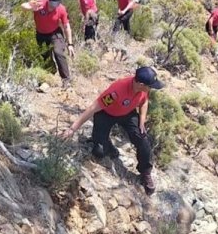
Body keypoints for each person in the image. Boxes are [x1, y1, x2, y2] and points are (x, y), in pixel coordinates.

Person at [62, 66, 164, 195]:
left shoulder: (144, 89)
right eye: (150, 86)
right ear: (141, 84)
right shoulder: (117, 92)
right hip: (106, 114)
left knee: (142, 138)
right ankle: (107, 144)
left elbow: (144, 102)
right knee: (99, 151)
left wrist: (142, 120)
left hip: (127, 113)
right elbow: (94, 108)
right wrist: (72, 129)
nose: (151, 88)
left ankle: (145, 172)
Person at [21, 0, 75, 85]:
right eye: (52, 3)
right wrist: (31, 7)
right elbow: (23, 6)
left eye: (57, 3)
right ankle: (49, 75)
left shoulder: (61, 9)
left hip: (55, 33)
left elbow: (67, 27)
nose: (54, 5)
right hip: (41, 34)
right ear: (49, 0)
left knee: (58, 52)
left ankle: (66, 80)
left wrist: (70, 44)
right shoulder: (40, 3)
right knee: (45, 57)